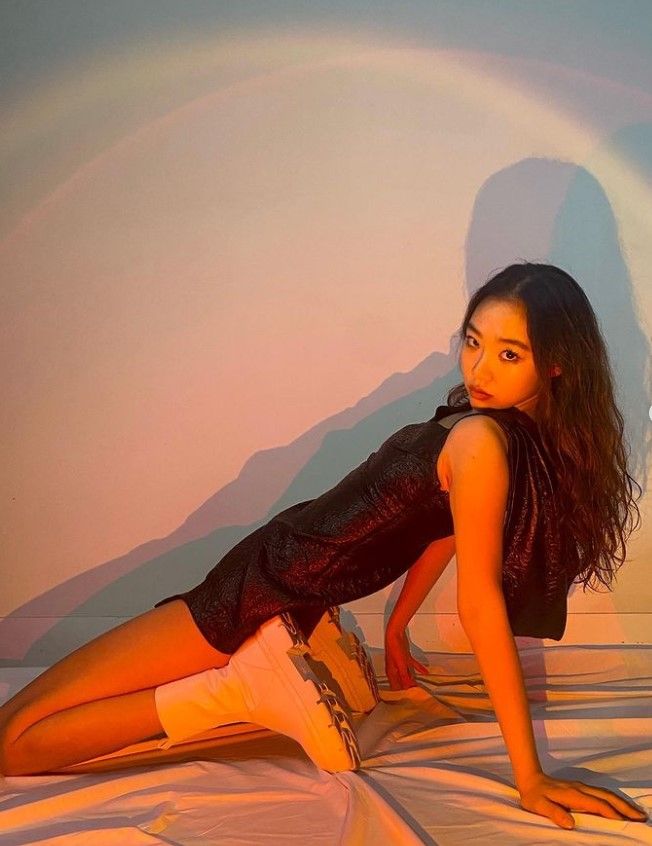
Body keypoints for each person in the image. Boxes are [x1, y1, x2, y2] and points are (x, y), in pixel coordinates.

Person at [0, 262, 647, 832]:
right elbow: (447, 523)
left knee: (13, 744)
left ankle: (235, 689)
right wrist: (397, 622)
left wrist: (529, 777)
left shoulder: (486, 441)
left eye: (509, 354)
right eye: (473, 342)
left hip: (267, 585)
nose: (478, 369)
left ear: (557, 362)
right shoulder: (506, 435)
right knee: (26, 730)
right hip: (286, 587)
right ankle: (264, 668)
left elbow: (478, 599)